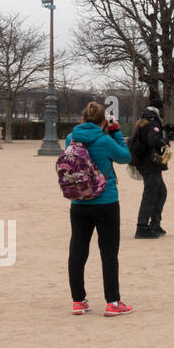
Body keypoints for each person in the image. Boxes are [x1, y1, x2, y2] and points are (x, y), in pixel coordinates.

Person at [65, 102, 133, 317]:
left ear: (82, 119)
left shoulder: (71, 139)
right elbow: (125, 157)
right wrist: (116, 132)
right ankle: (112, 302)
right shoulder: (104, 140)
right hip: (106, 201)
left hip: (79, 201)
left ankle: (78, 301)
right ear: (104, 120)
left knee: (78, 251)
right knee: (109, 253)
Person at [127, 98, 169, 239]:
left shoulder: (145, 119)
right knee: (152, 193)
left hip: (145, 162)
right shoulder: (153, 121)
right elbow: (153, 140)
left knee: (161, 192)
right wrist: (165, 141)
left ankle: (154, 224)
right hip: (149, 163)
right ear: (160, 108)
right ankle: (142, 227)